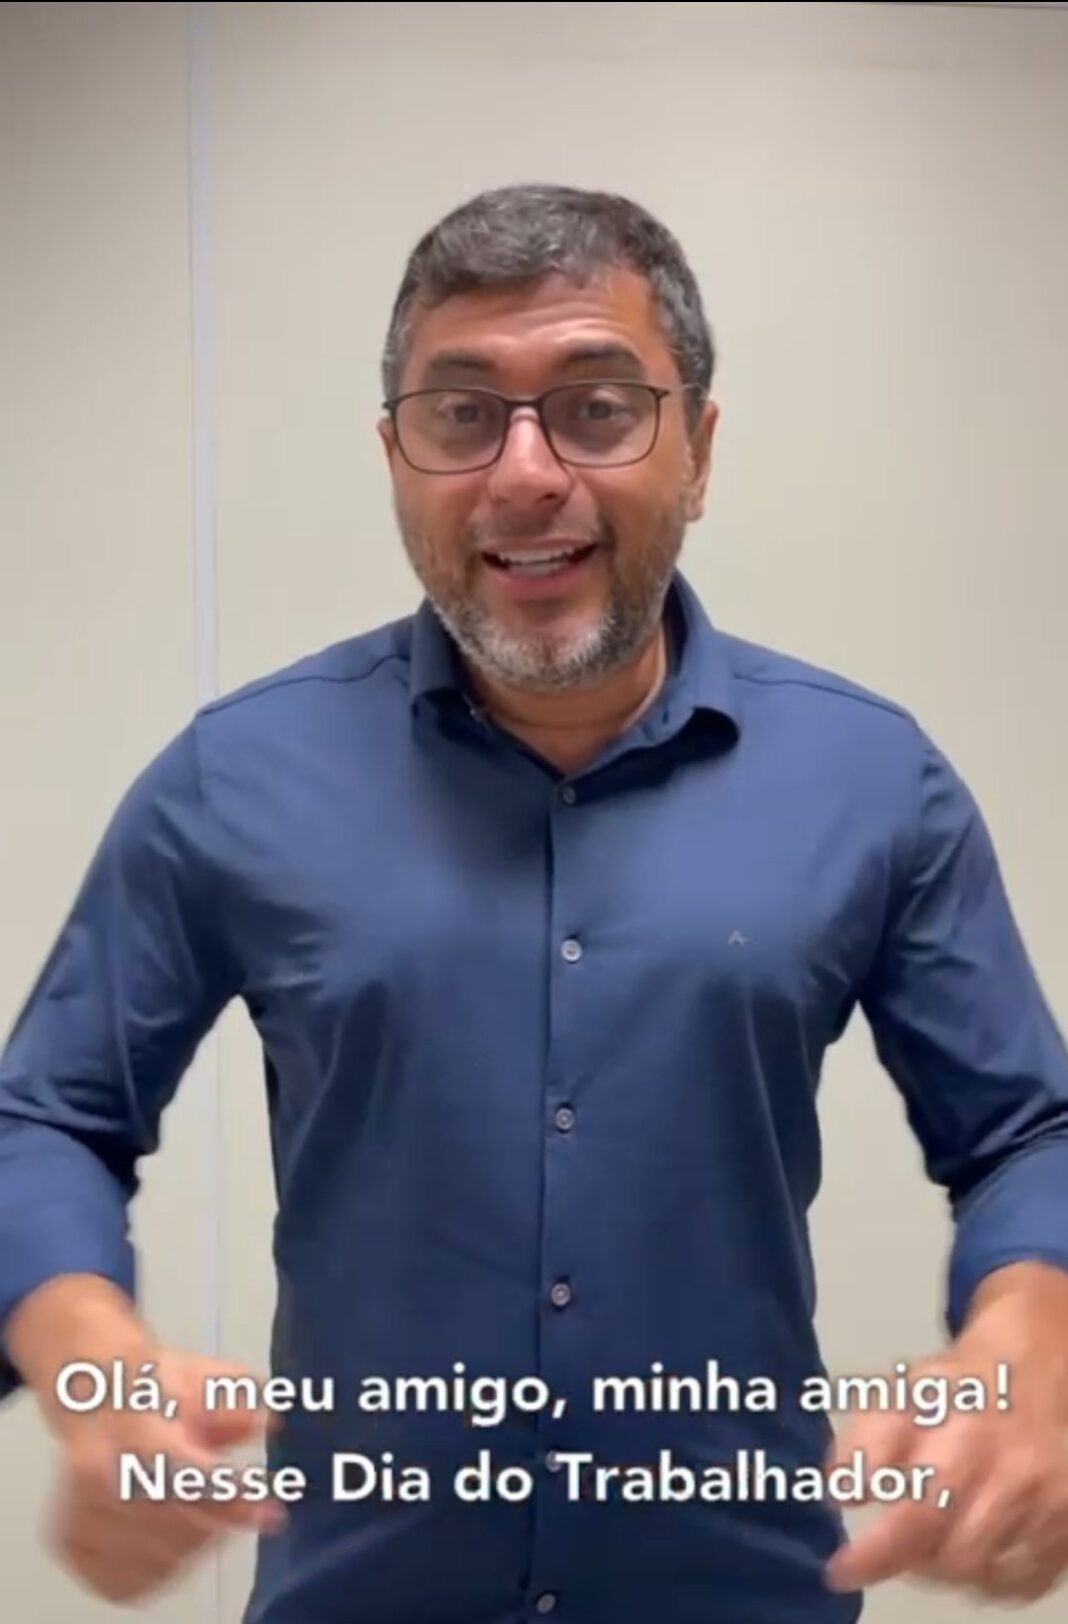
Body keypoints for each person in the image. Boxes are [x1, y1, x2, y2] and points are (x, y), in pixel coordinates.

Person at [2, 183, 1068, 1624]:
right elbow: (45, 1118)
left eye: (596, 408)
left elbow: (1026, 1134)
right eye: (461, 415)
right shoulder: (231, 778)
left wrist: (1032, 1341)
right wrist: (88, 1358)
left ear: (699, 450)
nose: (523, 473)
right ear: (395, 457)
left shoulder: (874, 779)